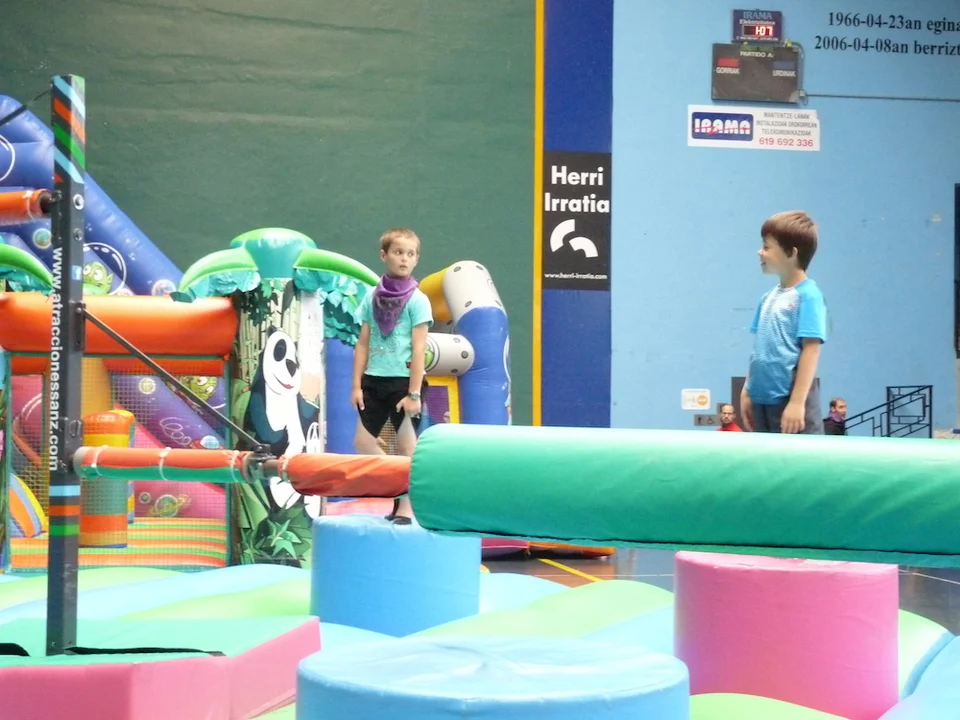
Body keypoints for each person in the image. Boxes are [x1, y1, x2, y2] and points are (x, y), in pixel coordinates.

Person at [351, 228, 433, 524]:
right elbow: (363, 342)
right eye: (398, 253)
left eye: (411, 254)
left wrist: (414, 394)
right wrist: (356, 386)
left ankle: (406, 508)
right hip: (374, 381)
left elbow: (419, 348)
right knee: (363, 443)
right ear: (384, 255)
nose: (404, 259)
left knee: (407, 447)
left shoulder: (418, 300)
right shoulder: (371, 297)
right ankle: (399, 484)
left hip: (404, 383)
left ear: (416, 259)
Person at [740, 211, 828, 434]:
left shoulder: (808, 295)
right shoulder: (767, 298)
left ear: (791, 253)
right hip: (761, 401)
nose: (759, 252)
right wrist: (746, 390)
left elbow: (811, 350)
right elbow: (758, 351)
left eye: (766, 247)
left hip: (790, 402)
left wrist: (797, 403)